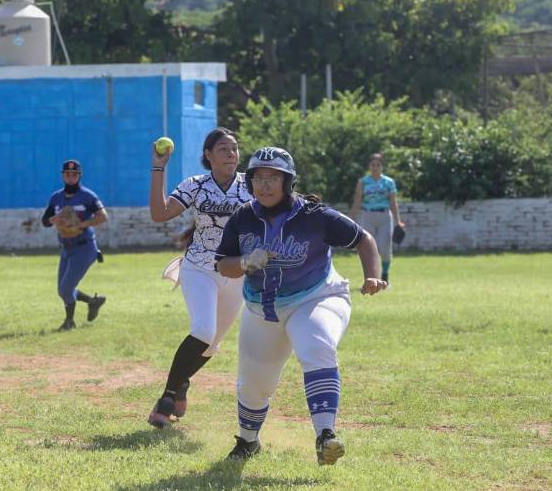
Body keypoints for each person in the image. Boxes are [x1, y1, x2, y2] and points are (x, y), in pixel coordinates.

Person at [215, 147, 386, 465]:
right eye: (258, 178)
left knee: (315, 344)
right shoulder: (243, 217)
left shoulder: (314, 215)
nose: (264, 185)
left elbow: (364, 239)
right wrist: (244, 262)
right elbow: (223, 265)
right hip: (262, 309)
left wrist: (373, 277)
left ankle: (325, 436)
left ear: (288, 181)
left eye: (273, 178)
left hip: (317, 295)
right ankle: (248, 441)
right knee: (254, 384)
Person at [147, 127, 252, 428]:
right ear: (208, 155)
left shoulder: (251, 185)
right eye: (223, 149)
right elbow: (159, 213)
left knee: (211, 345)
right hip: (199, 268)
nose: (231, 153)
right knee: (203, 331)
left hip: (236, 272)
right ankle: (167, 397)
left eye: (234, 148)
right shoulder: (196, 185)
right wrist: (159, 168)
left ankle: (181, 384)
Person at [41, 159, 108, 331]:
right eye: (67, 174)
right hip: (67, 247)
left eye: (74, 174)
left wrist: (80, 225)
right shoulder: (56, 198)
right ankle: (93, 302)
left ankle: (69, 322)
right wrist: (53, 219)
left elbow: (103, 217)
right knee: (63, 290)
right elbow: (45, 221)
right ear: (63, 175)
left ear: (79, 176)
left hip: (85, 247)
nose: (71, 177)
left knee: (66, 289)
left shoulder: (88, 196)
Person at [350, 153, 405, 284]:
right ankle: (371, 278)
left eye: (378, 165)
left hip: (385, 216)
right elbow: (357, 201)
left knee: (385, 247)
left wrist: (398, 221)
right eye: (372, 164)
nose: (375, 167)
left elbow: (393, 203)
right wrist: (350, 219)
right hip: (367, 215)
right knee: (369, 247)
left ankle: (385, 276)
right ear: (369, 166)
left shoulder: (388, 182)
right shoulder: (363, 182)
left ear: (382, 166)